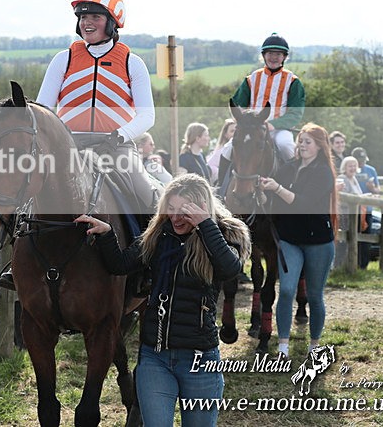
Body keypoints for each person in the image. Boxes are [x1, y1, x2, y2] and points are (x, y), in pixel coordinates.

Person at [75, 174, 251, 427]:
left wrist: (205, 225)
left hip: (200, 360)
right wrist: (107, 234)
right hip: (155, 358)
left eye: (184, 211)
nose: (176, 218)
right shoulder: (159, 235)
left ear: (201, 209)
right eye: (171, 209)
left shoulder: (223, 233)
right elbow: (120, 265)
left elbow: (229, 269)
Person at [35, 0, 158, 211]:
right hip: (68, 146)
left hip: (116, 147)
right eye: (83, 17)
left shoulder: (133, 63)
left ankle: (158, 233)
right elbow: (42, 110)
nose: (87, 23)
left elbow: (147, 116)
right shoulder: (63, 59)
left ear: (111, 23)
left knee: (145, 195)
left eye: (95, 17)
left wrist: (118, 137)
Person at [259, 123, 338, 357]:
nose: (302, 145)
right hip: (289, 240)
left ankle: (314, 345)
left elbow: (303, 203)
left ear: (319, 146)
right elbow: (273, 198)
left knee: (314, 295)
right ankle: (283, 345)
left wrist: (277, 188)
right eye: (300, 141)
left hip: (319, 243)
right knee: (286, 290)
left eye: (307, 142)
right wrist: (263, 193)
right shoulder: (288, 168)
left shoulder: (323, 172)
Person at [221, 33, 305, 180]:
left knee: (286, 145)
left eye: (278, 54)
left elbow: (296, 114)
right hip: (253, 128)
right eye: (270, 53)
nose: (274, 57)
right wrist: (244, 121)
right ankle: (220, 186)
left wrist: (273, 124)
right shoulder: (252, 78)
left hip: (278, 130)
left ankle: (295, 184)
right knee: (227, 149)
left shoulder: (293, 81)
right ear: (264, 55)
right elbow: (237, 103)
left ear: (284, 57)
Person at [337, 155, 371, 269]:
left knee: (353, 241)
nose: (352, 168)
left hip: (355, 216)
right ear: (344, 167)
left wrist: (366, 196)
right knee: (343, 242)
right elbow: (342, 198)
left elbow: (358, 196)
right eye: (350, 166)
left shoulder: (354, 179)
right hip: (345, 216)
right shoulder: (342, 179)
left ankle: (351, 266)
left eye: (354, 166)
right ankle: (338, 267)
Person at [206, 119, 235, 185]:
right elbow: (210, 166)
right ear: (225, 134)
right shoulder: (222, 151)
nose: (235, 133)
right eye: (232, 131)